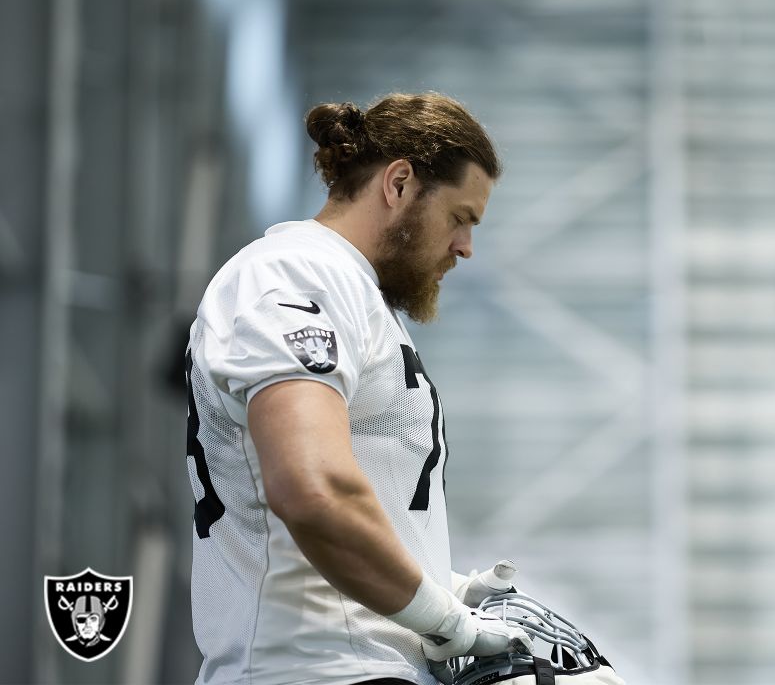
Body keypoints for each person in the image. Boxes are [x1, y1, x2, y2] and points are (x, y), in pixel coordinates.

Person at [183, 92, 530, 685]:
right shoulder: (296, 273)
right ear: (398, 184)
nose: (466, 247)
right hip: (312, 671)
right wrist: (448, 621)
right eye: (460, 218)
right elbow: (313, 490)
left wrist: (449, 584)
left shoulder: (351, 292)